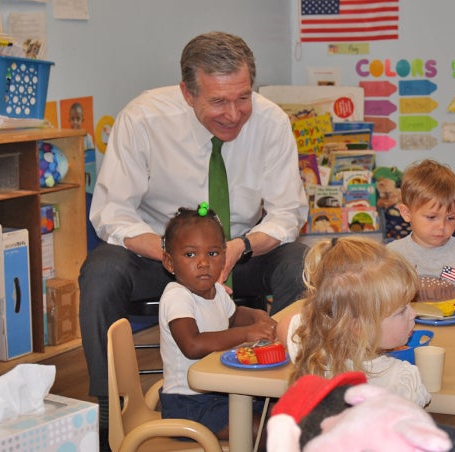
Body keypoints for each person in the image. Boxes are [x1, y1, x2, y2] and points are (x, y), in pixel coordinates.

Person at [78, 31, 308, 448]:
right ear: (187, 92)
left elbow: (288, 212)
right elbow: (111, 212)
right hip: (161, 258)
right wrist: (166, 252)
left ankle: (281, 398)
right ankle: (110, 407)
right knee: (101, 272)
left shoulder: (271, 121)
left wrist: (240, 248)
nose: (234, 114)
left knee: (299, 261)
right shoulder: (143, 118)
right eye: (218, 101)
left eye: (243, 97)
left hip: (240, 249)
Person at [159, 206, 273, 449]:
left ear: (225, 256)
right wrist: (247, 333)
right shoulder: (177, 296)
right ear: (169, 262)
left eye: (212, 253)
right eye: (190, 255)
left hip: (220, 391)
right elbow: (193, 344)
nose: (203, 263)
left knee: (278, 411)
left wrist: (257, 316)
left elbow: (232, 316)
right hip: (190, 404)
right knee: (261, 430)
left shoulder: (217, 291)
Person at [276, 236, 431, 408]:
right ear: (358, 327)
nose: (413, 313)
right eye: (402, 310)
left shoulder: (311, 348)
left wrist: (327, 312)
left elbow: (286, 324)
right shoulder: (403, 378)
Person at [386, 159, 455, 316]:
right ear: (407, 213)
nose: (442, 226)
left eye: (450, 218)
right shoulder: (393, 254)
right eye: (431, 217)